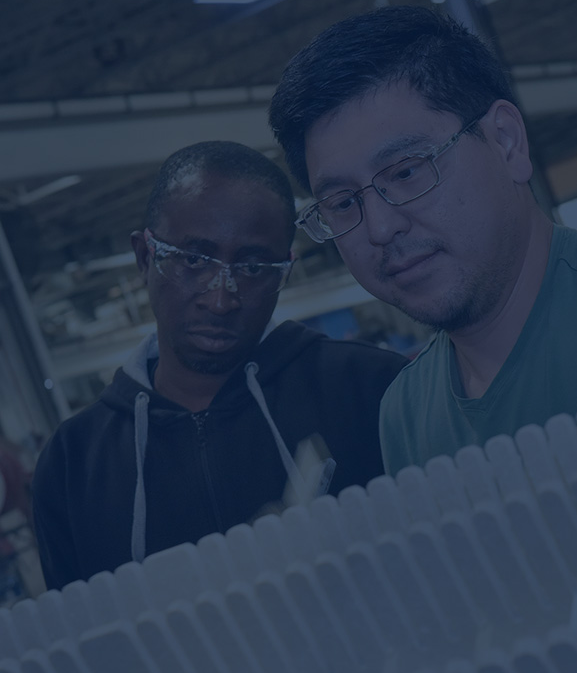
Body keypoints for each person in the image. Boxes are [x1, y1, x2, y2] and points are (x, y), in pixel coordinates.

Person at [269, 5, 577, 475]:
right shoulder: (407, 412)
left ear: (506, 142)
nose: (380, 227)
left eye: (407, 172)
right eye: (343, 202)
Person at [32, 141, 406, 591]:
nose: (221, 298)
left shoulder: (373, 390)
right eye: (192, 260)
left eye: (252, 267)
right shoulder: (74, 465)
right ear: (144, 258)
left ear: (284, 270)